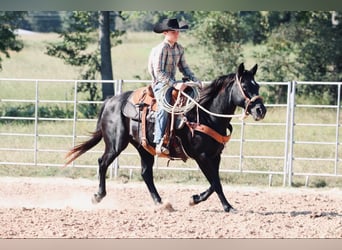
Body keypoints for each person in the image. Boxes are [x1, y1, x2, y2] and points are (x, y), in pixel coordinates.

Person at [148, 18, 201, 155]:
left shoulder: (179, 49)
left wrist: (195, 80)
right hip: (161, 84)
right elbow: (158, 72)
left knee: (194, 98)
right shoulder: (160, 49)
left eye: (178, 31)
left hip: (173, 83)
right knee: (163, 108)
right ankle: (159, 140)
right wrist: (175, 84)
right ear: (165, 33)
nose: (177, 34)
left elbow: (184, 68)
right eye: (174, 31)